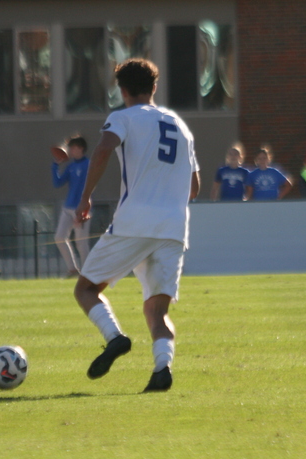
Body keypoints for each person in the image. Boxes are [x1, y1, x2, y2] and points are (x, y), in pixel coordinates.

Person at [73, 58, 200, 393]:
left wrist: (85, 197)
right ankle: (162, 368)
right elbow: (195, 187)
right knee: (156, 309)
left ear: (123, 90)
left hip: (134, 222)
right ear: (154, 87)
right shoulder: (181, 126)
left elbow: (102, 151)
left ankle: (114, 338)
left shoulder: (122, 117)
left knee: (86, 289)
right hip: (174, 227)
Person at [52, 134, 90, 277]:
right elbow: (57, 183)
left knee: (81, 243)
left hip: (81, 208)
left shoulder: (88, 164)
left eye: (72, 148)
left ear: (80, 148)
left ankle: (87, 274)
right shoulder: (71, 166)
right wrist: (55, 165)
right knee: (59, 237)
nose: (70, 151)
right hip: (68, 207)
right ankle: (72, 269)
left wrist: (84, 209)